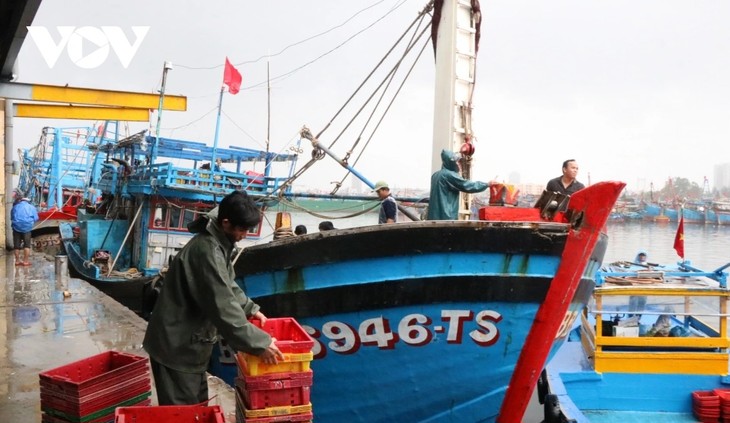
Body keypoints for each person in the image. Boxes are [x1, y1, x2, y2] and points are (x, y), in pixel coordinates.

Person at [143, 191, 284, 405]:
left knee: (197, 405)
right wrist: (260, 343)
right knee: (182, 412)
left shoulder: (218, 243)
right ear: (225, 222)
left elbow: (226, 283)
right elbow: (223, 307)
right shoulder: (206, 252)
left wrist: (250, 308)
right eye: (242, 229)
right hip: (176, 346)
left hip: (190, 345)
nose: (245, 235)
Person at [427, 149, 489, 220]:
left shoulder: (435, 175)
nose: (459, 164)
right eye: (457, 162)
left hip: (433, 218)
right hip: (446, 218)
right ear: (451, 163)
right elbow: (467, 185)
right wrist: (487, 184)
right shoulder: (449, 175)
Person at [11, 193, 39, 266]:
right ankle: (25, 261)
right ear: (28, 201)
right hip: (27, 228)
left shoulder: (15, 207)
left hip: (16, 227)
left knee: (16, 245)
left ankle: (17, 261)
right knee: (27, 245)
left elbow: (11, 217)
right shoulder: (32, 207)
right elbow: (36, 218)